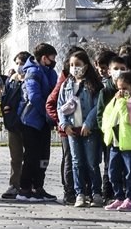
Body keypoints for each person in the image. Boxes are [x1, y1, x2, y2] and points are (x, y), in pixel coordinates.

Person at [58, 49, 104, 208]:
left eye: (77, 64)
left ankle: (96, 192)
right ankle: (80, 193)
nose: (74, 67)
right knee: (76, 162)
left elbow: (98, 106)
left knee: (91, 162)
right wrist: (65, 124)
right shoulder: (66, 85)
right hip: (72, 129)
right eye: (71, 65)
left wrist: (89, 123)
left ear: (85, 66)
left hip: (88, 129)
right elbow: (60, 106)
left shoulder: (94, 84)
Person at [100, 70, 131, 212]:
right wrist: (117, 100)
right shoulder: (115, 99)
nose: (121, 91)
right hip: (115, 141)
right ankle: (118, 196)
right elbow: (107, 115)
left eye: (124, 88)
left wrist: (126, 101)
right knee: (113, 171)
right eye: (119, 88)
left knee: (130, 172)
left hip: (130, 141)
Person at [16, 42, 56, 202]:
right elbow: (34, 97)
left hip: (44, 122)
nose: (54, 61)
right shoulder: (33, 72)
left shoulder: (49, 72)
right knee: (31, 156)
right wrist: (48, 113)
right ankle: (25, 188)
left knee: (43, 156)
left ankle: (38, 186)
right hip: (31, 121)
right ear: (44, 58)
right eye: (52, 58)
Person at [44, 45, 82, 204]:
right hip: (67, 129)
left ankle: (82, 190)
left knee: (82, 160)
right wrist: (61, 122)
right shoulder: (65, 80)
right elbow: (51, 104)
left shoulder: (87, 80)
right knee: (69, 159)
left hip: (83, 127)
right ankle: (69, 191)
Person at [0, 51, 31, 199]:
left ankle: (28, 184)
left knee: (30, 156)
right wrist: (6, 112)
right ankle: (14, 184)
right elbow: (4, 99)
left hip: (27, 123)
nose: (19, 66)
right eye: (17, 63)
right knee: (15, 157)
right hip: (13, 124)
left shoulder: (31, 79)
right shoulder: (11, 81)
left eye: (22, 63)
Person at [93, 48, 119, 202]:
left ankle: (115, 192)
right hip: (104, 128)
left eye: (104, 67)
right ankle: (106, 192)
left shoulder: (117, 84)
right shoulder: (98, 83)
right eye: (99, 67)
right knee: (106, 162)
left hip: (118, 128)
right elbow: (98, 110)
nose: (101, 71)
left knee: (112, 162)